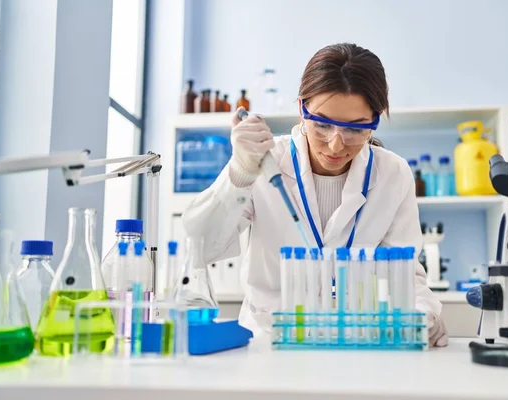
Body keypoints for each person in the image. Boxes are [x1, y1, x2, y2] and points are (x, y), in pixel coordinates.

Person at [182, 43, 448, 347]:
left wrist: (423, 315)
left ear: (376, 119)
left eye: (356, 129)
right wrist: (240, 171)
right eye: (321, 124)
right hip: (270, 344)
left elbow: (406, 273)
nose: (336, 145)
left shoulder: (393, 173)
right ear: (301, 109)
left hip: (356, 344)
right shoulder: (264, 162)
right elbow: (201, 246)